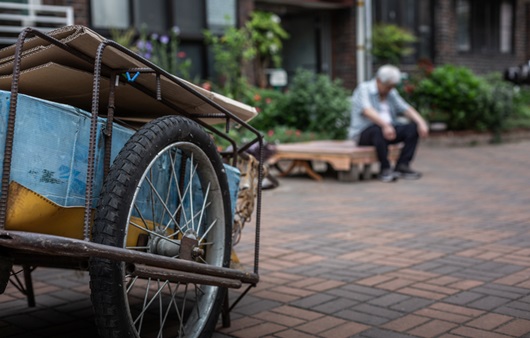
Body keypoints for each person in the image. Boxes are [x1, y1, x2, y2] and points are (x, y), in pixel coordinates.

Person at [349, 65, 429, 182]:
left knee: (412, 128)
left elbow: (405, 108)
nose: (390, 90)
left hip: (388, 131)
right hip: (364, 134)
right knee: (377, 129)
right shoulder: (364, 89)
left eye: (392, 87)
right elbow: (367, 110)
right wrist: (385, 125)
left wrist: (421, 122)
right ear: (379, 80)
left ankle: (402, 165)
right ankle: (385, 169)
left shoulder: (391, 92)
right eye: (388, 87)